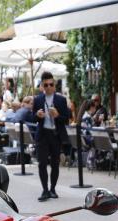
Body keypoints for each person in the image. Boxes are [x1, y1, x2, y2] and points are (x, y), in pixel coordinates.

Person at [32, 71, 70, 200]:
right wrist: (37, 115)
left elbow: (67, 119)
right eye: (46, 85)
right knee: (42, 163)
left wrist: (58, 115)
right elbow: (32, 117)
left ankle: (53, 189)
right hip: (42, 134)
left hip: (55, 134)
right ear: (42, 86)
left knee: (55, 163)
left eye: (51, 84)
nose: (48, 87)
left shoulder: (61, 99)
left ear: (54, 85)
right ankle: (45, 190)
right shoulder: (37, 100)